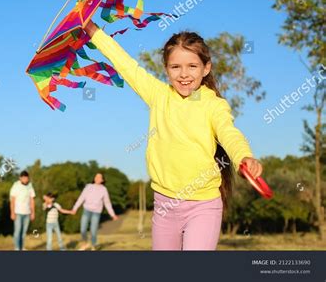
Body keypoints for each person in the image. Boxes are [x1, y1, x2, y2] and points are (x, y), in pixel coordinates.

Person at [83, 20, 263, 251]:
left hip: (203, 206)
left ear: (206, 68)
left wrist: (243, 157)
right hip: (164, 206)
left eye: (192, 66)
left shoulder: (213, 105)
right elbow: (125, 65)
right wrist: (92, 31)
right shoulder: (159, 96)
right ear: (166, 69)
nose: (184, 74)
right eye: (175, 67)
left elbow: (229, 133)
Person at [71, 173, 118, 250]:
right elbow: (81, 198)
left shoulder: (104, 189)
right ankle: (85, 243)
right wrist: (75, 208)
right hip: (86, 210)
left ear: (102, 180)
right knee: (83, 229)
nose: (97, 178)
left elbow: (107, 203)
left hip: (96, 212)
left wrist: (112, 214)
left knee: (93, 231)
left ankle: (93, 246)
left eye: (99, 177)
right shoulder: (88, 186)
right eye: (96, 176)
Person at [9, 171, 35, 250]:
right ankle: (17, 248)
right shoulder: (16, 185)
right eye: (23, 177)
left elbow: (32, 200)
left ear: (28, 178)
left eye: (26, 177)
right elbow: (12, 200)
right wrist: (12, 212)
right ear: (20, 178)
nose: (25, 179)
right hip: (18, 212)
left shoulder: (30, 186)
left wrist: (33, 212)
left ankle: (22, 247)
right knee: (17, 232)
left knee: (23, 232)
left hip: (27, 213)